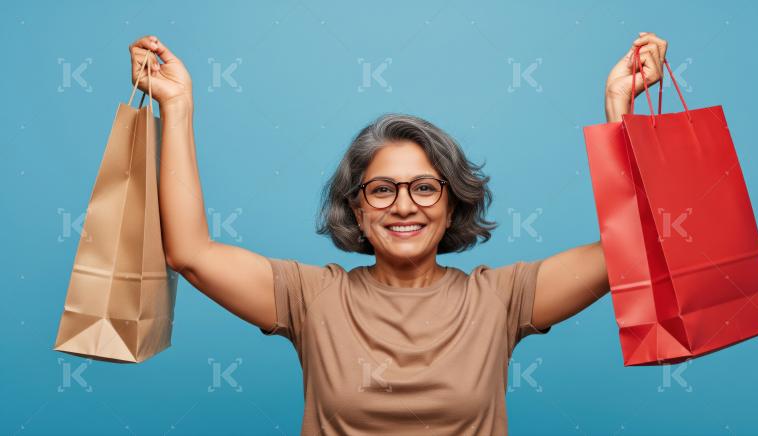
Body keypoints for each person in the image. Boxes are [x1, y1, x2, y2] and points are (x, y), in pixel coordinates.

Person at [128, 32, 668, 435]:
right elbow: (192, 253)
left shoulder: (501, 299)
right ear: (356, 209)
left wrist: (620, 114)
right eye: (381, 189)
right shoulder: (311, 297)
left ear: (452, 201)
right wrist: (177, 106)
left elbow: (635, 244)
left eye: (425, 188)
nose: (404, 205)